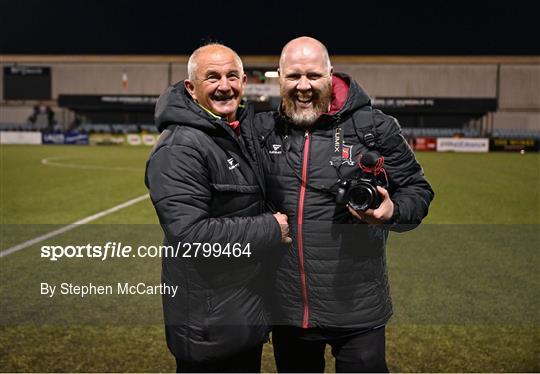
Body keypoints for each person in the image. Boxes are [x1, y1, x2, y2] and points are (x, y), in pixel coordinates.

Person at [252, 37, 434, 372]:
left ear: (330, 74)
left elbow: (417, 192)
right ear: (278, 77)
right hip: (289, 310)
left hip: (358, 309)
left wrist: (392, 212)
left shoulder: (374, 127)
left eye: (313, 75)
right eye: (293, 76)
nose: (303, 86)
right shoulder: (263, 130)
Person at [144, 43, 290, 373]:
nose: (225, 85)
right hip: (209, 324)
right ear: (191, 88)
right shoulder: (180, 147)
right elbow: (191, 235)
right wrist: (271, 228)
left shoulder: (235, 133)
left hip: (238, 315)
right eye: (212, 77)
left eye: (232, 75)